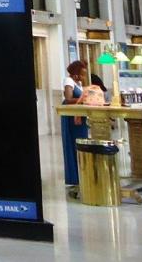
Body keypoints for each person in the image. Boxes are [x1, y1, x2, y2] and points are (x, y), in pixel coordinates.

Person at [61, 60, 89, 188]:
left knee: (81, 142)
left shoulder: (79, 83)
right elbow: (68, 99)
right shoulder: (68, 81)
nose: (84, 77)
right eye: (82, 74)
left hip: (80, 117)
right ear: (76, 74)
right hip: (71, 117)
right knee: (73, 143)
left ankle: (81, 174)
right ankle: (74, 176)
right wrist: (84, 100)